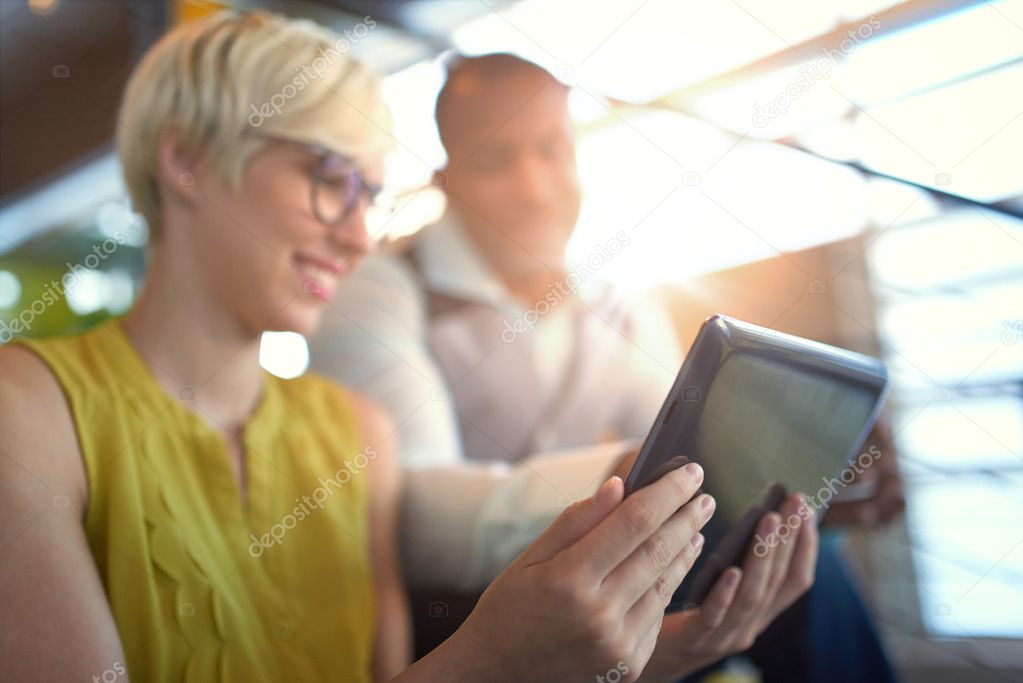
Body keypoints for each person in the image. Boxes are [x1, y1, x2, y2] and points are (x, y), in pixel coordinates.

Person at [0, 12, 818, 683]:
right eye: (329, 177)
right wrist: (491, 657)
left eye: (372, 194)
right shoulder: (25, 414)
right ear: (185, 159)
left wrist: (670, 646)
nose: (358, 233)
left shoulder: (355, 436)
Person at [309, 53, 904, 681]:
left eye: (552, 151)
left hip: (607, 582)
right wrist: (622, 479)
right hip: (463, 615)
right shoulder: (380, 289)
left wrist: (795, 492)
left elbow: (689, 452)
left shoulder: (620, 304)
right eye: (496, 160)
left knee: (791, 558)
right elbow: (418, 520)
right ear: (446, 180)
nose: (534, 187)